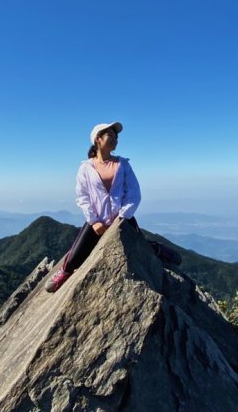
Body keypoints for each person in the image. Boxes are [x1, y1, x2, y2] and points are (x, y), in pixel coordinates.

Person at [45, 121, 180, 293]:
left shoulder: (123, 164)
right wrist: (93, 221)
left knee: (137, 246)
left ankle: (157, 248)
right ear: (98, 139)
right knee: (77, 251)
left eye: (116, 136)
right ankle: (65, 272)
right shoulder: (86, 168)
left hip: (123, 219)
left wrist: (123, 217)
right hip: (98, 221)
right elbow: (82, 197)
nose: (115, 139)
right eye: (110, 135)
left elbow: (134, 193)